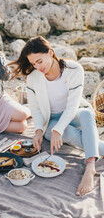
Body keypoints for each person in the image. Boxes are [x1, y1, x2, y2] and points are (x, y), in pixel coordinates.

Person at [10, 36, 104, 196]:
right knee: (53, 133)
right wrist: (38, 130)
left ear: (51, 53)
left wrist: (58, 130)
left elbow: (73, 106)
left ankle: (90, 167)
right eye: (33, 63)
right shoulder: (33, 78)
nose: (37, 67)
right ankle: (92, 147)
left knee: (87, 114)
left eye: (39, 61)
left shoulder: (74, 70)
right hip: (51, 121)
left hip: (74, 113)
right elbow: (36, 108)